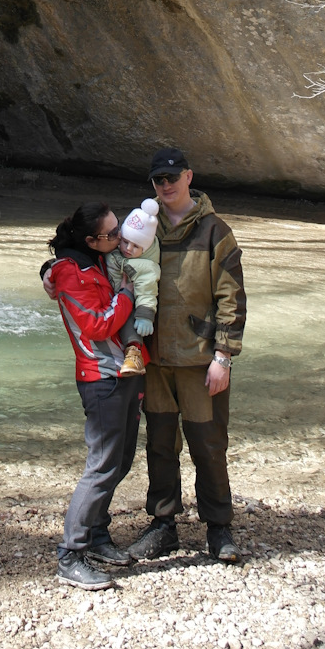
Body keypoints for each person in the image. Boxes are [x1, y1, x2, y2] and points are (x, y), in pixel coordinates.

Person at [127, 147, 247, 564]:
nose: (165, 185)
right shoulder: (145, 228)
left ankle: (219, 528)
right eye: (158, 179)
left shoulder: (215, 231)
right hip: (156, 360)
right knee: (160, 445)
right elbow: (103, 257)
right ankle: (163, 526)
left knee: (209, 445)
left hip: (200, 362)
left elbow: (231, 297)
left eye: (172, 177)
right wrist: (52, 272)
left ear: (189, 177)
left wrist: (224, 357)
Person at [45, 201, 144, 589]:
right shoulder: (70, 272)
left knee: (121, 461)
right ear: (91, 240)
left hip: (128, 372)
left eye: (119, 229)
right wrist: (127, 295)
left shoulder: (103, 258)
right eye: (112, 234)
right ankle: (71, 554)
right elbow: (98, 325)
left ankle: (98, 536)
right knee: (102, 465)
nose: (120, 239)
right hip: (100, 377)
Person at [105, 198, 161, 377]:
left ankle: (133, 354)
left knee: (130, 320)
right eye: (125, 241)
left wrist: (145, 316)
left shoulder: (146, 267)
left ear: (145, 249)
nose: (128, 248)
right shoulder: (116, 251)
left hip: (132, 305)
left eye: (136, 246)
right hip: (112, 297)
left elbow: (147, 291)